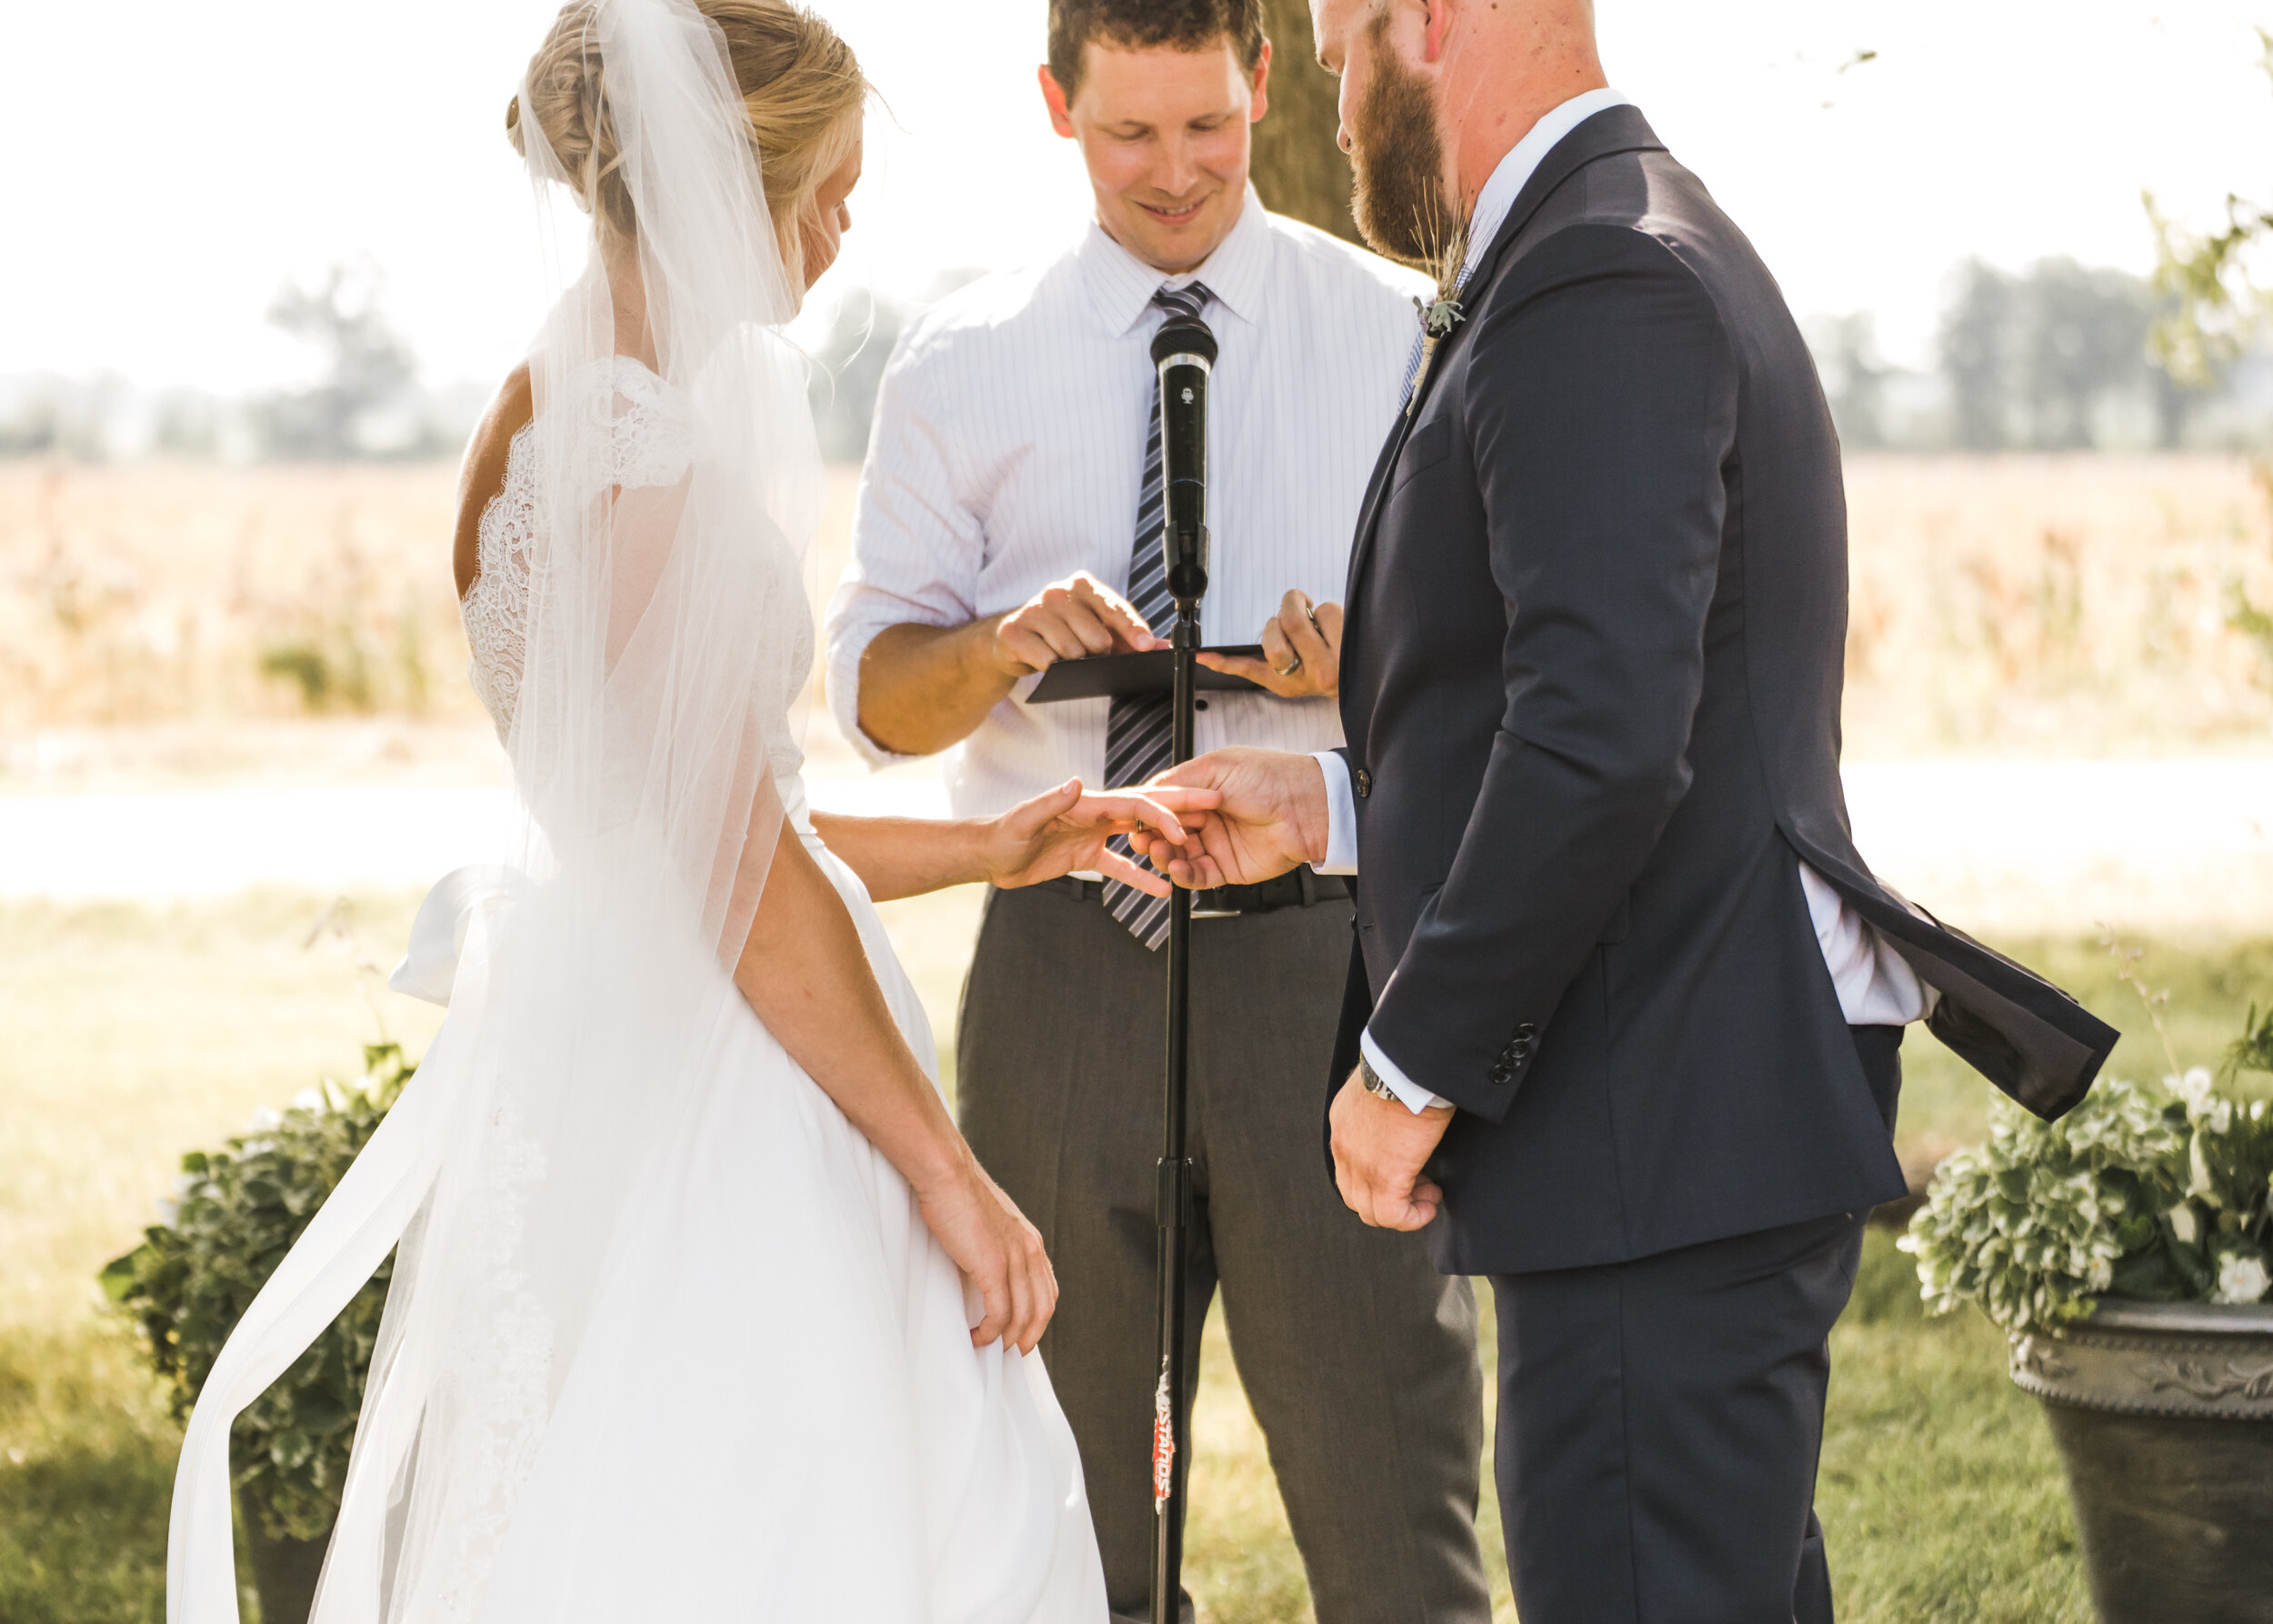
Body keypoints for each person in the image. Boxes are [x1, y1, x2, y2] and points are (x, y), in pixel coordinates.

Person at [163, 4, 1215, 1619]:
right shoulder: (631, 456)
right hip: (731, 1093)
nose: (846, 228)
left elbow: (712, 821)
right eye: (830, 192)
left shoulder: (552, 413)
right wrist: (946, 1167)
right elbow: (734, 870)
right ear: (742, 186)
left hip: (662, 1032)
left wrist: (991, 843)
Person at [1131, 1, 2120, 1620]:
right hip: (1669, 1123)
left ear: (1432, 17)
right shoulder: (1610, 244)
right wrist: (1334, 806)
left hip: (1651, 1131)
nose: (1326, 76)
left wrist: (1408, 1061)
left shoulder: (1601, 274)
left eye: (1341, 40)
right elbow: (1623, 713)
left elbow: (1602, 739)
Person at [822, 5, 1494, 1623]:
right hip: (1061, 973)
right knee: (1059, 1512)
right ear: (1056, 105)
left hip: (1331, 967)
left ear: (1262, 85)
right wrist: (990, 648)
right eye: (1131, 135)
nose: (1177, 173)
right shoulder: (962, 364)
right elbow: (876, 705)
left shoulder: (1411, 335)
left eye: (1208, 127)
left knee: (1391, 1504)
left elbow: (1505, 687)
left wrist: (1375, 666)